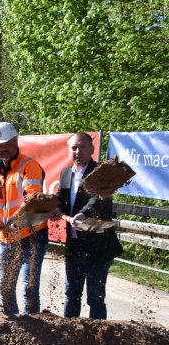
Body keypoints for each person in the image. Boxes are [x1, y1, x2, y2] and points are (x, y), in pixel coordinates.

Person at [56, 132, 123, 319]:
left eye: (82, 147)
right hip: (74, 244)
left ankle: (98, 334)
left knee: (95, 297)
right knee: (72, 293)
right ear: (68, 151)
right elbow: (60, 198)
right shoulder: (65, 173)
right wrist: (53, 207)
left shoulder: (102, 172)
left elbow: (100, 199)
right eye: (74, 148)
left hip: (99, 245)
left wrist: (83, 214)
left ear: (92, 149)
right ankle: (69, 331)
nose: (78, 151)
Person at [0, 122, 48, 315]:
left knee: (29, 287)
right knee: (6, 286)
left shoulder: (29, 166)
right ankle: (13, 325)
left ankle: (33, 324)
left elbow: (32, 199)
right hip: (7, 238)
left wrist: (14, 219)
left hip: (32, 236)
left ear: (16, 141)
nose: (3, 149)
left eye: (7, 144)